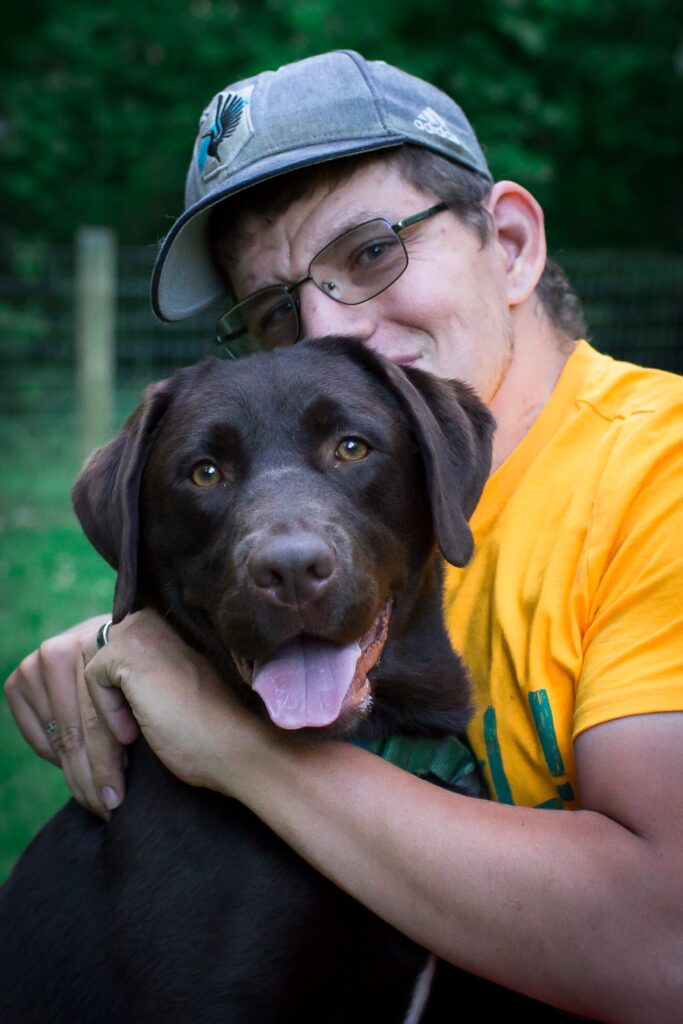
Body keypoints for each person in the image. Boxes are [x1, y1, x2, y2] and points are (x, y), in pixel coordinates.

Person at [5, 51, 683, 1020]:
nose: (331, 329)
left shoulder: (655, 478)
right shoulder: (377, 528)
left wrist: (237, 747)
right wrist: (138, 639)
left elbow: (665, 947)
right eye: (275, 308)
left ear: (510, 242)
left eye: (370, 252)